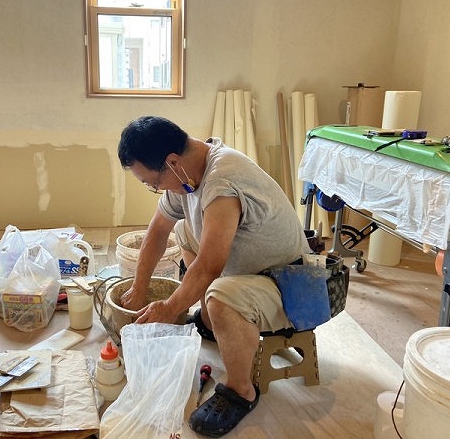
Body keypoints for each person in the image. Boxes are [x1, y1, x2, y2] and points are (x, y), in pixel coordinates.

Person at [117, 115, 310, 437]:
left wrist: (170, 308)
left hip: (289, 284)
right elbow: (158, 231)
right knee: (183, 229)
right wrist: (139, 287)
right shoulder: (187, 172)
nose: (156, 189)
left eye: (152, 183)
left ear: (172, 162)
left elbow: (209, 267)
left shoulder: (222, 181)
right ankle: (211, 320)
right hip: (250, 270)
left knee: (220, 297)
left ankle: (241, 391)